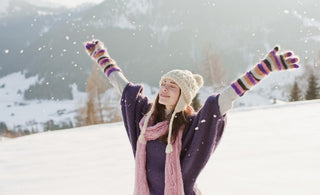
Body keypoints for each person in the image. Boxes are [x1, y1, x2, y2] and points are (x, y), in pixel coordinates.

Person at [85, 40, 299, 195]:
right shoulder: (145, 120)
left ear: (183, 97)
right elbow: (124, 88)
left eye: (172, 86)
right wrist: (101, 57)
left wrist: (261, 71)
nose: (164, 89)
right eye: (163, 84)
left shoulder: (190, 126)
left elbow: (222, 101)